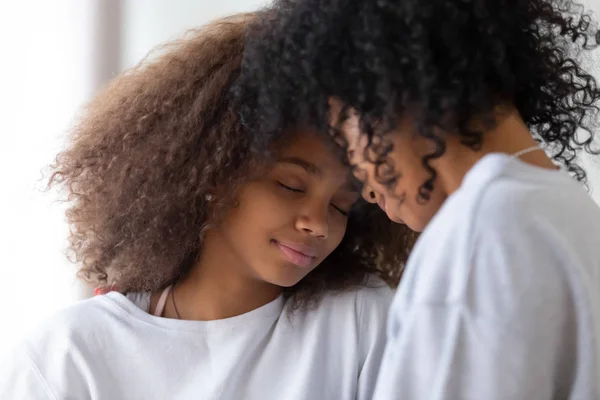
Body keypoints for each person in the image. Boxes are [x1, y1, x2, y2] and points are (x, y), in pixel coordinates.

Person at [0, 13, 416, 400]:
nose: (318, 224)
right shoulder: (67, 358)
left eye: (342, 207)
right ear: (215, 170)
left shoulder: (360, 321)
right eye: (290, 186)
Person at [236, 0, 600, 398]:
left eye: (346, 136)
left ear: (387, 91)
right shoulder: (572, 214)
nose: (368, 188)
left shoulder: (480, 233)